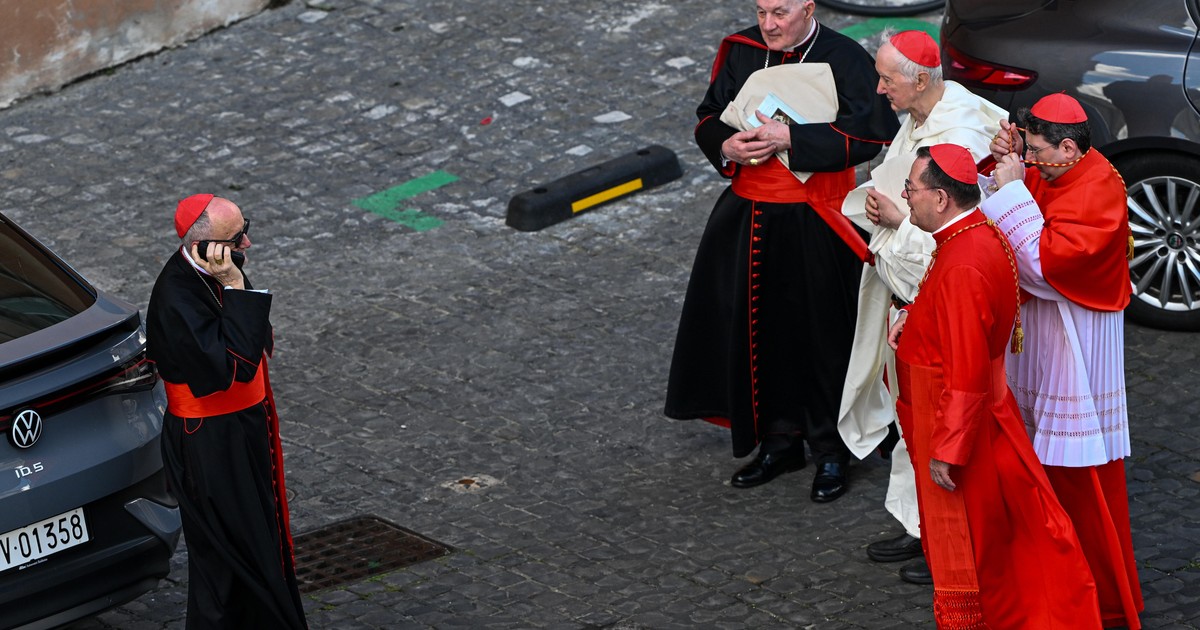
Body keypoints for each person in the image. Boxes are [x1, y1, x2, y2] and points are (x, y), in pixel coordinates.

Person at [664, 0, 898, 502]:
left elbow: (870, 135)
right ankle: (778, 442)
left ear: (808, 8)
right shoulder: (743, 51)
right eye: (761, 12)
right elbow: (709, 116)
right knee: (759, 330)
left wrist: (793, 137)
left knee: (825, 336)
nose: (768, 25)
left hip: (821, 219)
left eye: (780, 13)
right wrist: (726, 147)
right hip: (750, 217)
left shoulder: (844, 57)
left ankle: (831, 450)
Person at [889, 144, 1102, 628]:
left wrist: (948, 449)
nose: (905, 196)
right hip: (977, 417)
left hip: (961, 429)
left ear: (940, 198)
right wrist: (914, 316)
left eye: (910, 188)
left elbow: (965, 370)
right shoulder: (977, 232)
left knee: (979, 551)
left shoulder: (963, 261)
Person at [835, 30, 1007, 585]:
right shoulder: (920, 113)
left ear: (923, 79)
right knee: (913, 422)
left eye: (888, 79)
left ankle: (948, 544)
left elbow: (965, 230)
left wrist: (896, 220)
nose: (879, 89)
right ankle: (920, 525)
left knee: (940, 425)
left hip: (937, 300)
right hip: (908, 300)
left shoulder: (957, 132)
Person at [983, 93, 1144, 629]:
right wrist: (1005, 167)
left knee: (1077, 473)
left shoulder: (1097, 188)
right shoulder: (1056, 170)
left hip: (1077, 344)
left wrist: (1010, 188)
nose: (1030, 160)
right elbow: (1024, 208)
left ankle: (1098, 599)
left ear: (1069, 147)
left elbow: (1044, 265)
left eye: (1035, 150)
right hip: (1045, 335)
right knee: (1037, 460)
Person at [146, 194, 308, 629]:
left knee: (257, 539)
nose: (247, 244)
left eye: (244, 229)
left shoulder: (216, 267)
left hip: (239, 428)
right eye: (237, 238)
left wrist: (234, 281)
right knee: (230, 555)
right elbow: (235, 366)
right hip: (211, 440)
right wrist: (236, 285)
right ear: (204, 246)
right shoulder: (178, 297)